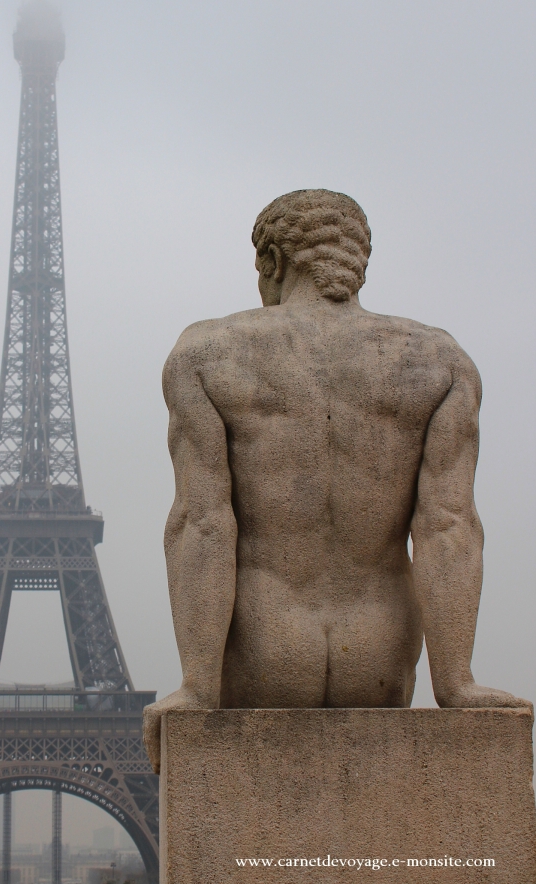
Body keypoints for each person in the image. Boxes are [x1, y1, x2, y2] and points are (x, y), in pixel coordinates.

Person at [143, 188, 528, 775]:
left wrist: (197, 687)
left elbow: (201, 524)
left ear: (273, 261)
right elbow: (449, 527)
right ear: (355, 262)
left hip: (265, 650)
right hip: (377, 653)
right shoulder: (441, 361)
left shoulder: (206, 354)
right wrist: (457, 683)